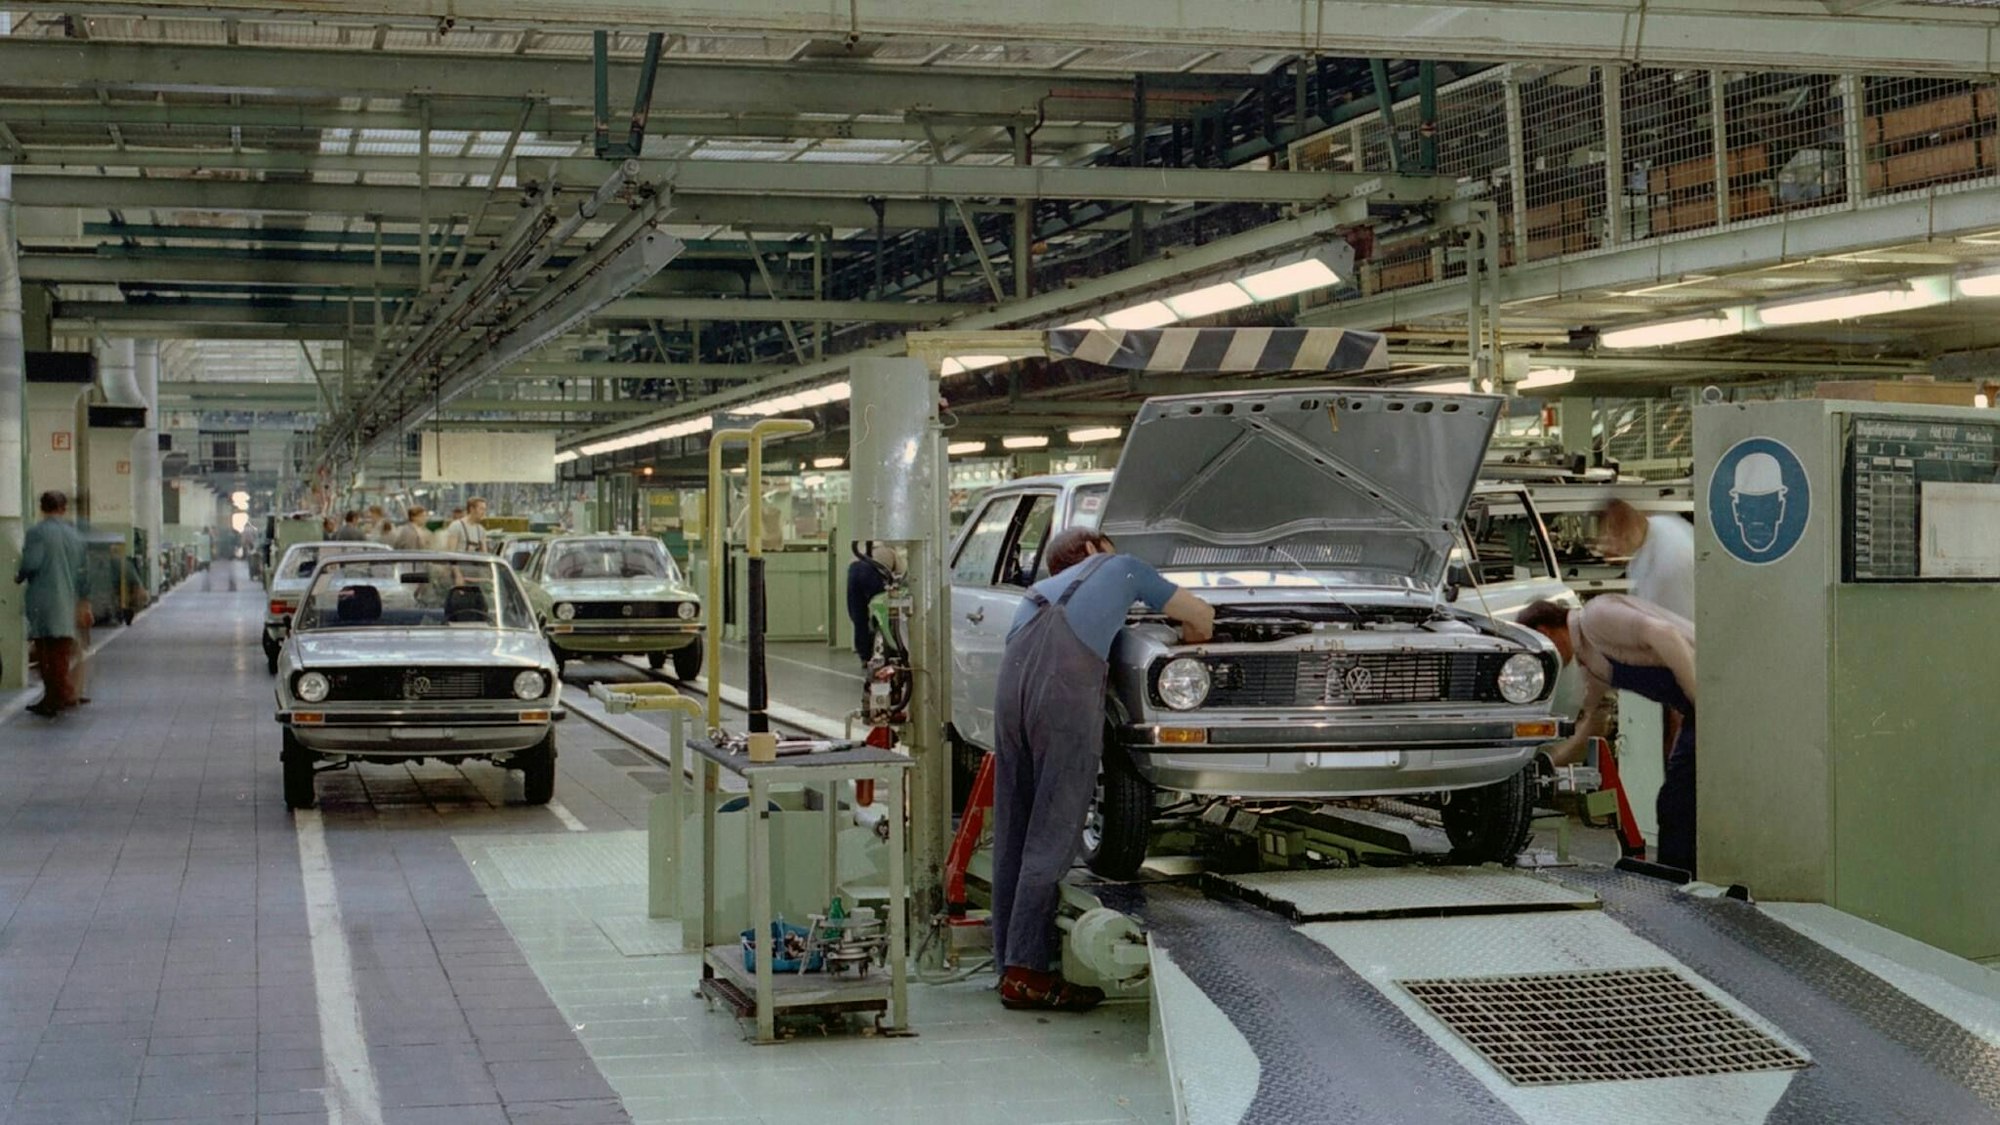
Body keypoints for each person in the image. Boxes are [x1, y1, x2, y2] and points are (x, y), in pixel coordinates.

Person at [989, 528, 1215, 1011]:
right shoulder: (1121, 568)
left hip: (1010, 694)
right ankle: (1026, 975)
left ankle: (1007, 961)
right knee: (1054, 830)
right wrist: (1192, 640)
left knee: (1015, 828)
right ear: (1093, 550)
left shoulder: (1037, 593)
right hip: (1062, 698)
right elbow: (1200, 615)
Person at [1519, 595, 1698, 873]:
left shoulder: (1596, 616)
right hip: (1699, 710)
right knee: (1677, 802)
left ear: (1545, 632)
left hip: (1713, 697)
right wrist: (1543, 766)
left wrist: (1701, 701)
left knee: (1677, 801)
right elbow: (1592, 726)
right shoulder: (1591, 664)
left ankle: (1681, 881)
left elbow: (1665, 634)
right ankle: (1684, 877)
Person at [14, 491, 90, 718]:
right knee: (61, 652)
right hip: (67, 601)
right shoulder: (75, 536)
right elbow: (83, 574)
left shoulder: (37, 533)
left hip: (44, 600)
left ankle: (56, 697)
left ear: (41, 507)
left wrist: (19, 575)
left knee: (46, 652)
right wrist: (83, 602)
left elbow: (31, 563)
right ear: (63, 509)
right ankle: (62, 694)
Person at [1598, 499, 1694, 621]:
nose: (1609, 538)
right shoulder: (1653, 532)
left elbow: (1677, 625)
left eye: (1613, 528)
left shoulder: (1669, 561)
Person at [845, 544, 899, 664]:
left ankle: (864, 656)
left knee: (858, 617)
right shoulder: (891, 552)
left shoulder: (860, 549)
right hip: (872, 571)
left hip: (853, 571)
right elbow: (902, 575)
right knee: (882, 612)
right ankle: (889, 648)